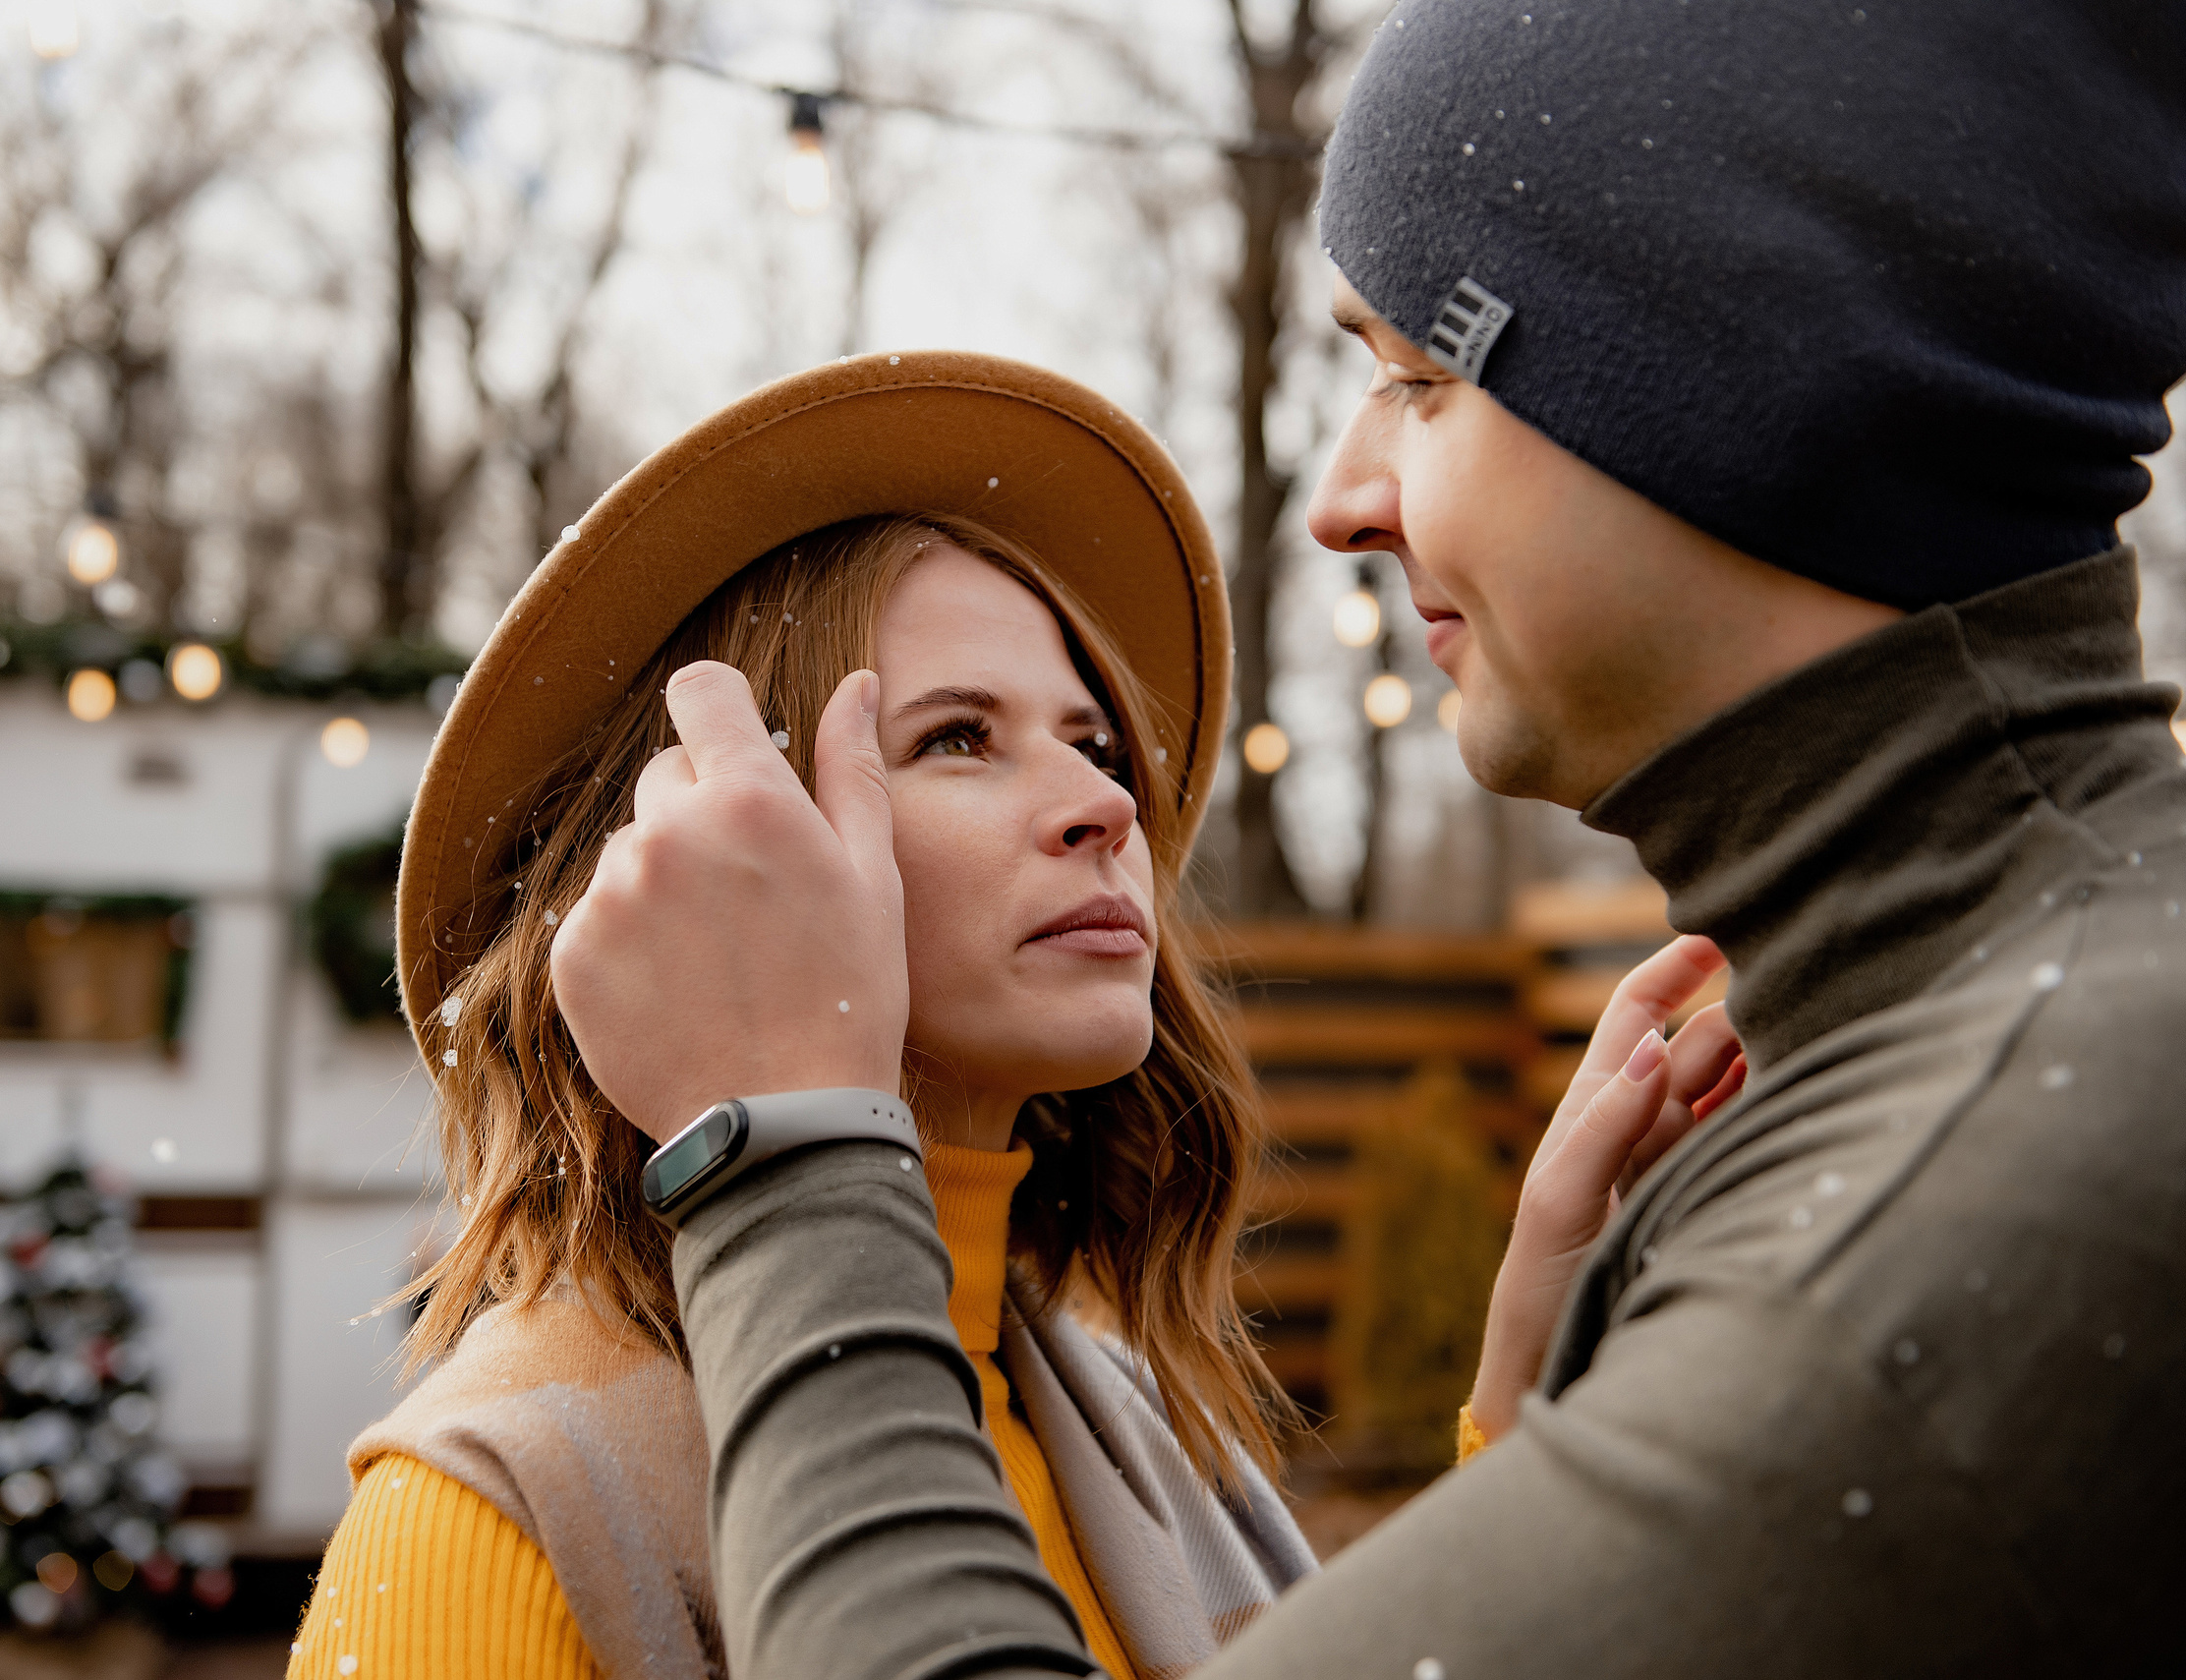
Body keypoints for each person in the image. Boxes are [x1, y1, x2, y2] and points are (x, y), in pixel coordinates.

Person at [549, 3, 2186, 1676]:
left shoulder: (1953, 1208)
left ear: (1745, 383)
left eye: (1418, 381)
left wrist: (783, 1156)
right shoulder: (1965, 1050)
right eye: (958, 735)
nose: (1344, 496)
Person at [286, 355, 1737, 1680]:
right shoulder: (499, 1508)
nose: (1110, 801)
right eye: (958, 737)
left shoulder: (1135, 1418)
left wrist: (1532, 1412)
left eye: (1094, 740)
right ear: (708, 843)